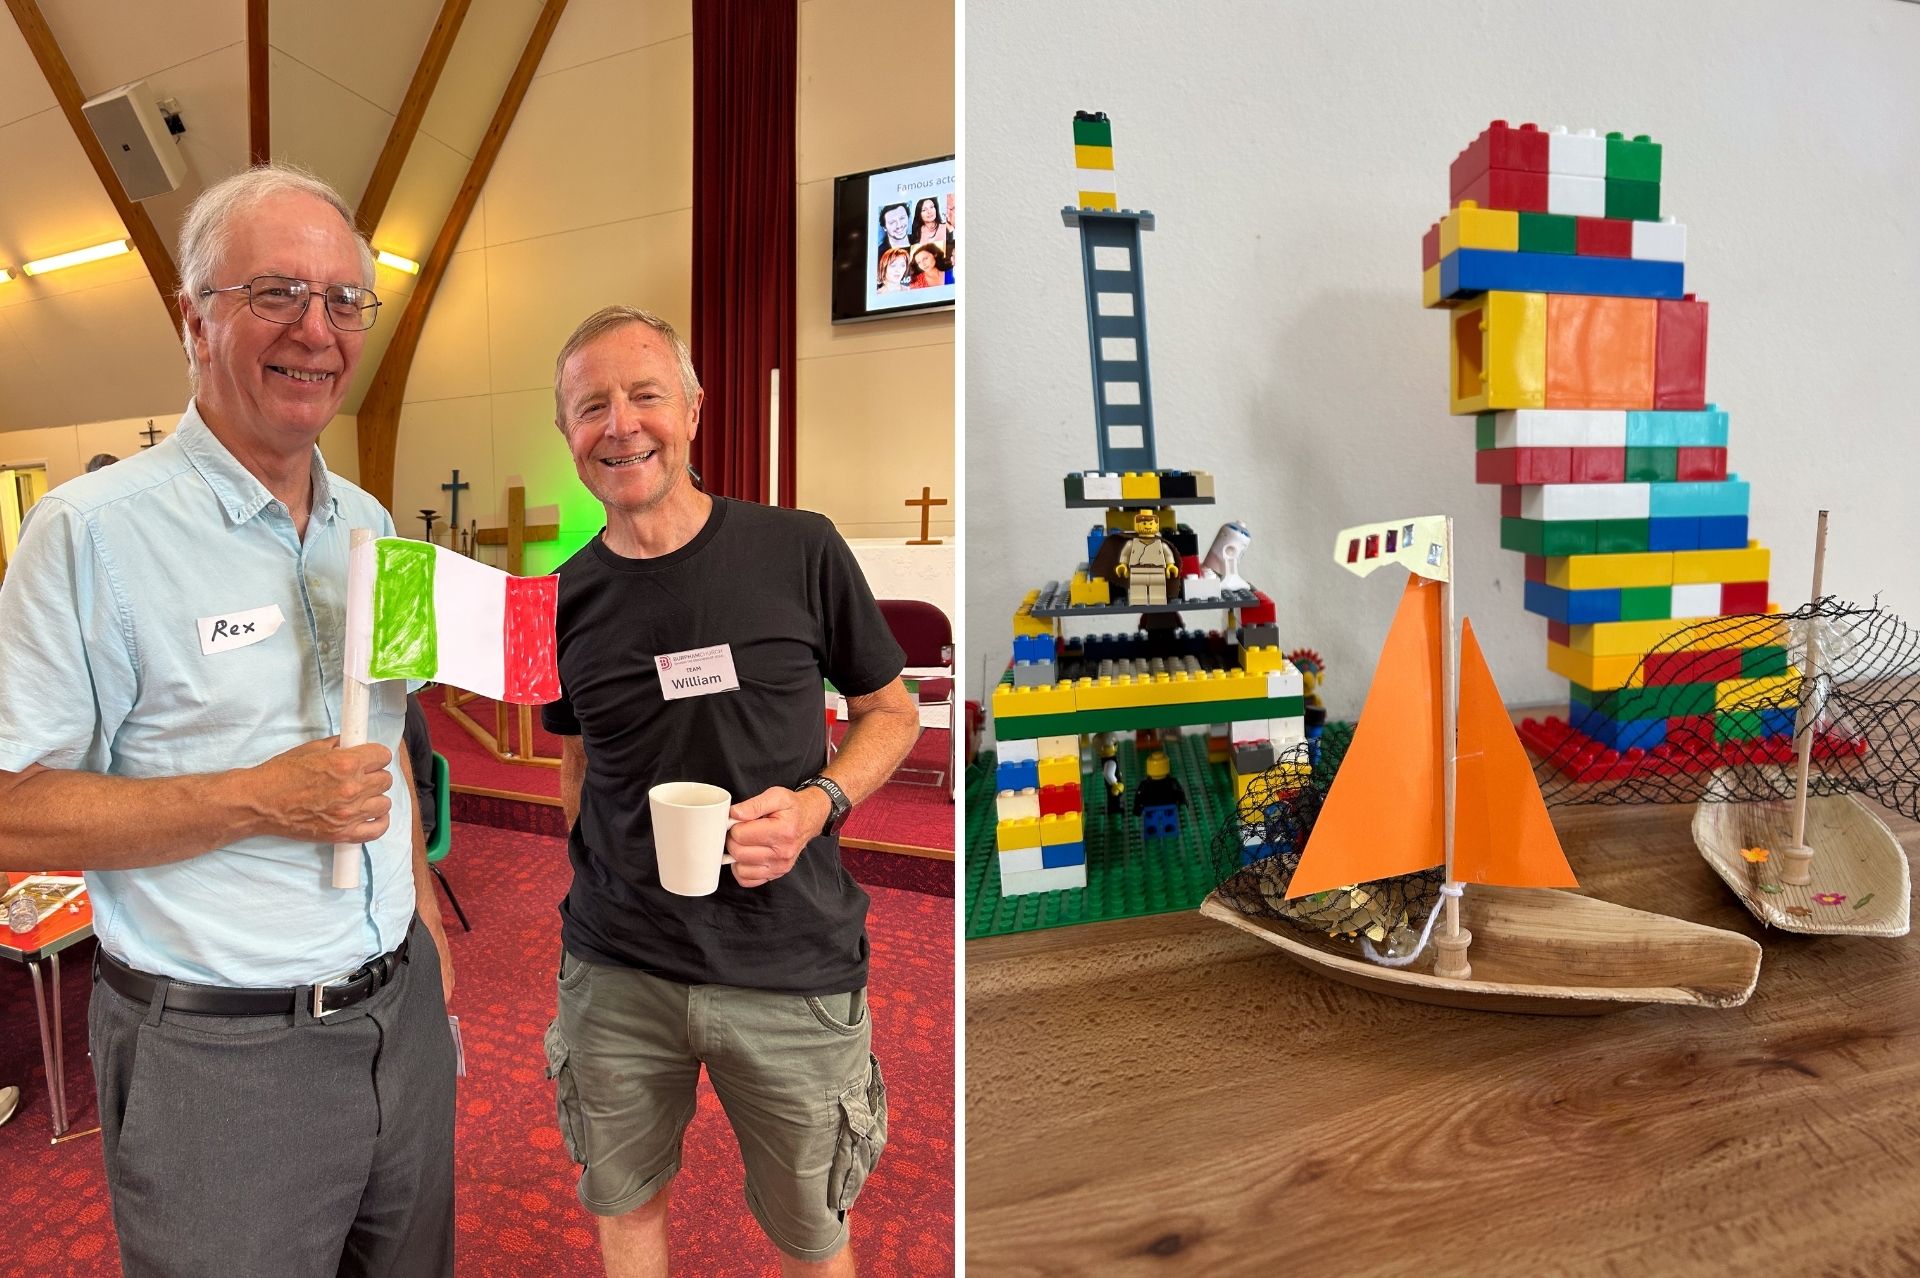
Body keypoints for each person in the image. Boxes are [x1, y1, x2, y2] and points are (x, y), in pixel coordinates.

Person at [0, 165, 456, 1278]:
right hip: (218, 1056)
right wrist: (256, 797)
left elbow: (386, 748)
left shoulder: (371, 520)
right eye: (276, 293)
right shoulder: (91, 535)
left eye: (346, 299)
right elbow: (10, 813)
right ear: (191, 317)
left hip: (398, 1018)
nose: (319, 329)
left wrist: (428, 965)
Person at [540, 305, 922, 1278]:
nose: (620, 424)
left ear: (695, 411)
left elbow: (892, 710)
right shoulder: (562, 598)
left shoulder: (797, 548)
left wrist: (814, 808)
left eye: (645, 395)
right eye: (591, 407)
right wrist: (594, 871)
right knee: (624, 1206)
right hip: (619, 967)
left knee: (811, 1233)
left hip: (788, 958)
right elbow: (576, 755)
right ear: (567, 433)